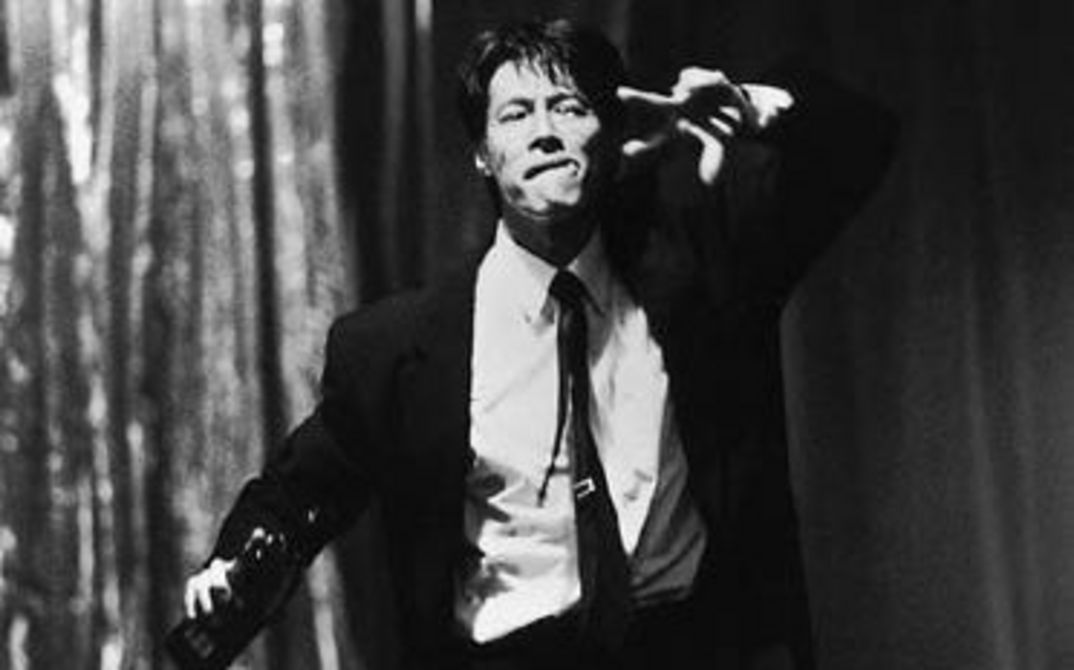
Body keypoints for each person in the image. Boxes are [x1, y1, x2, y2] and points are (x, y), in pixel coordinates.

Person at [181, 18, 896, 670]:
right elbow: (300, 491)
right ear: (482, 156)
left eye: (570, 108)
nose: (546, 132)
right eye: (516, 114)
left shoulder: (706, 266)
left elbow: (862, 140)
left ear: (613, 136)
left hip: (690, 646)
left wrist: (745, 105)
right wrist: (231, 569)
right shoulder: (397, 347)